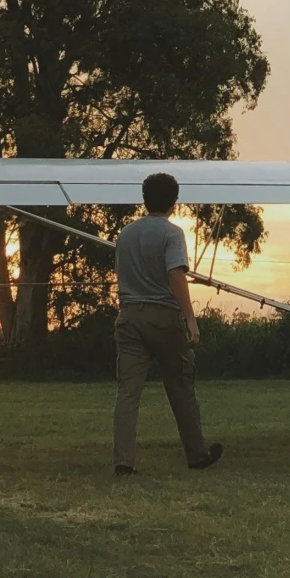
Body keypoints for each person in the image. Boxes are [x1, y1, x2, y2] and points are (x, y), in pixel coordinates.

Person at [112, 171, 223, 476]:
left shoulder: (125, 234)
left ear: (144, 198)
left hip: (129, 315)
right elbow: (176, 274)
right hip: (162, 316)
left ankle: (124, 460)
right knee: (180, 384)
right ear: (175, 201)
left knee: (128, 391)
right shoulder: (172, 234)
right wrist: (190, 318)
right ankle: (197, 453)